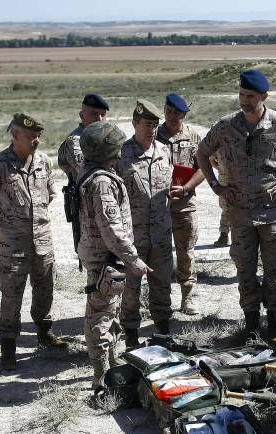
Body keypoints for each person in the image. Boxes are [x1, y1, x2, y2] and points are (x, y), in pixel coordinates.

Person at [196, 70, 276, 341]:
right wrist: (216, 185)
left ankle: (274, 326)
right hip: (239, 214)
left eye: (250, 96)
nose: (244, 101)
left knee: (274, 272)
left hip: (273, 213)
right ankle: (251, 327)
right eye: (241, 95)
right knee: (244, 271)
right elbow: (202, 152)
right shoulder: (227, 125)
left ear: (264, 97)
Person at [0, 113, 66, 370]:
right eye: (30, 136)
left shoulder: (44, 162)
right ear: (15, 135)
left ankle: (44, 334)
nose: (36, 140)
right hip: (12, 246)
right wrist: (6, 227)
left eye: (38, 135)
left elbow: (48, 196)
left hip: (42, 242)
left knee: (45, 288)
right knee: (12, 295)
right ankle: (8, 348)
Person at [77, 121, 152, 387]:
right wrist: (134, 259)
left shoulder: (92, 172)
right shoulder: (102, 182)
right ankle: (102, 376)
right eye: (116, 146)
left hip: (103, 256)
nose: (121, 150)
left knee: (109, 312)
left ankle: (110, 365)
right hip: (105, 258)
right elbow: (112, 229)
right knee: (101, 315)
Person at [116, 99, 174, 347]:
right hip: (133, 235)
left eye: (155, 124)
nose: (151, 130)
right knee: (130, 289)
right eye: (146, 125)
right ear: (134, 124)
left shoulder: (164, 151)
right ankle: (131, 339)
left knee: (162, 285)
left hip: (161, 233)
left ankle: (163, 336)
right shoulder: (120, 155)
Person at [156, 92, 205, 314]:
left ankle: (188, 296)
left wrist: (186, 188)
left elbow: (204, 168)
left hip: (184, 205)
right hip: (158, 205)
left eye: (176, 112)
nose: (171, 115)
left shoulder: (194, 137)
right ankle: (161, 299)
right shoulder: (153, 135)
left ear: (184, 114)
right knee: (159, 253)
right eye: (168, 110)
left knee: (186, 252)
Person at [57, 93, 109, 184]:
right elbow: (86, 170)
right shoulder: (74, 141)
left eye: (103, 114)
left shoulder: (107, 137)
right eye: (94, 114)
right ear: (82, 116)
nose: (100, 119)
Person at [210, 149, 230, 247]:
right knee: (226, 207)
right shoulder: (220, 139)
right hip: (225, 179)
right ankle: (224, 234)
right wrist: (219, 168)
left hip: (243, 177)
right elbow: (211, 158)